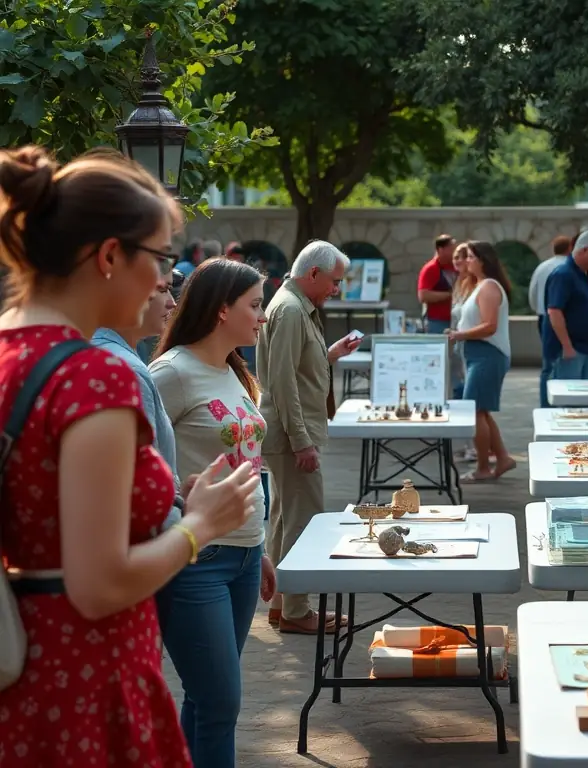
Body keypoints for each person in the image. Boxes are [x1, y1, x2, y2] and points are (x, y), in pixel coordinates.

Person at [0, 145, 259, 766]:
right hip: (86, 679)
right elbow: (99, 585)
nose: (167, 281)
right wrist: (200, 527)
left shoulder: (11, 353)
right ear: (111, 256)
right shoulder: (96, 375)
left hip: (23, 674)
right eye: (162, 258)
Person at [149, 258, 274, 766]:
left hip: (244, 556)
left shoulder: (233, 370)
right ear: (222, 309)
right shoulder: (171, 372)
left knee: (206, 700)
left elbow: (248, 465)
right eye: (255, 305)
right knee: (221, 701)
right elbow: (138, 463)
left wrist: (258, 547)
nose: (262, 316)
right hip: (197, 559)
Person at [257, 240, 360, 634]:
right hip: (291, 435)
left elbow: (294, 368)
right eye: (334, 281)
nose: (336, 289)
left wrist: (328, 354)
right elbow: (283, 382)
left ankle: (283, 604)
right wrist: (301, 441)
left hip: (289, 432)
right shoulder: (290, 309)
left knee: (286, 519)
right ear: (313, 273)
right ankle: (297, 611)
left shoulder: (295, 305)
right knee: (304, 522)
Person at [93, 270, 179, 528]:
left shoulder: (112, 354)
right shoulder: (127, 369)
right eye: (162, 289)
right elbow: (142, 485)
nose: (172, 302)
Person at [448, 241, 516, 482]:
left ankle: (483, 468)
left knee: (474, 411)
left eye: (470, 257)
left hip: (488, 354)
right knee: (481, 411)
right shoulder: (479, 285)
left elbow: (489, 326)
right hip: (478, 354)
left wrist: (459, 335)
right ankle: (502, 458)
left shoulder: (489, 287)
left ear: (482, 260)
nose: (465, 261)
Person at [543, 230, 588, 381]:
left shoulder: (583, 274)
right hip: (570, 350)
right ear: (584, 250)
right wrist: (567, 346)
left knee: (584, 393)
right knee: (567, 392)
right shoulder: (563, 274)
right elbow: (554, 311)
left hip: (584, 347)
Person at [528, 235, 571, 407]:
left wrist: (538, 308)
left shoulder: (542, 267)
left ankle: (545, 403)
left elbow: (532, 293)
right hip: (565, 317)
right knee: (567, 362)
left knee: (548, 364)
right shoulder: (569, 268)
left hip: (543, 317)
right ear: (570, 249)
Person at [450, 243, 476, 463]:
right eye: (456, 257)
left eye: (463, 256)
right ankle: (470, 446)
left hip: (471, 347)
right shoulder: (459, 283)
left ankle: (476, 448)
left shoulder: (476, 284)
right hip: (459, 346)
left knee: (470, 399)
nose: (458, 260)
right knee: (461, 395)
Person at [418, 234, 457, 333]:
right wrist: (450, 295)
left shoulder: (456, 266)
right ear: (440, 250)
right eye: (451, 249)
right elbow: (423, 296)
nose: (455, 252)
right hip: (436, 321)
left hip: (455, 319)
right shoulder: (430, 269)